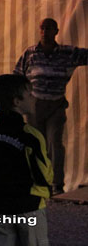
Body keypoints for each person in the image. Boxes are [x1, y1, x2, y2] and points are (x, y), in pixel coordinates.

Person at [0, 74, 52, 246]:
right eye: (30, 94)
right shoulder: (31, 135)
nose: (34, 98)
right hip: (29, 208)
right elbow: (44, 175)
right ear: (17, 102)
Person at [13, 17, 87, 194]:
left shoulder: (67, 53)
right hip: (34, 106)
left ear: (56, 32)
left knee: (55, 144)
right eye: (43, 29)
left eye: (49, 29)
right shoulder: (30, 53)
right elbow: (17, 75)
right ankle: (38, 182)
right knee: (37, 144)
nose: (45, 32)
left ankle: (57, 184)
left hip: (56, 105)